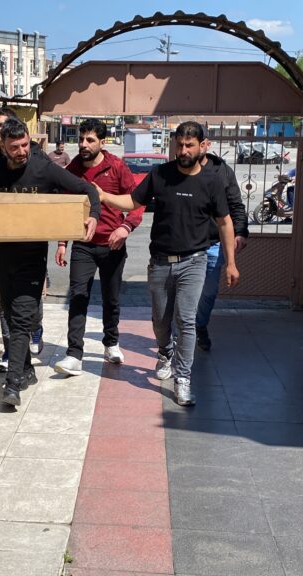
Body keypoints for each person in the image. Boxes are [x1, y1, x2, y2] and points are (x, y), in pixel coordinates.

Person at [0, 119, 100, 406]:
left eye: (25, 145)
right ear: (2, 147)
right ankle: (27, 370)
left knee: (21, 319)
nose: (22, 151)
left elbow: (87, 189)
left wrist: (93, 214)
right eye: (15, 147)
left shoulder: (43, 168)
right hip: (0, 256)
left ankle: (12, 385)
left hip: (32, 257)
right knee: (10, 313)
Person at [97, 121, 238, 407]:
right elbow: (132, 201)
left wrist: (231, 262)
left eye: (189, 146)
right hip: (160, 262)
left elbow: (224, 222)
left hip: (194, 261)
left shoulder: (212, 181)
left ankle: (183, 378)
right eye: (180, 145)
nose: (183, 151)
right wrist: (103, 196)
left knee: (186, 320)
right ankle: (165, 351)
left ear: (202, 146)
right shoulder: (160, 174)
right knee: (160, 321)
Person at [54, 119, 143, 376]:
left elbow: (137, 202)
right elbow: (65, 209)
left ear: (102, 142)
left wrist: (125, 228)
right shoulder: (72, 169)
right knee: (78, 296)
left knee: (111, 298)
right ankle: (74, 354)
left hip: (113, 244)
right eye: (81, 139)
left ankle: (111, 342)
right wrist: (62, 243)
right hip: (83, 245)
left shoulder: (116, 166)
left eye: (90, 140)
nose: (83, 144)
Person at [0, 107, 48, 370]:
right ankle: (11, 354)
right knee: (6, 302)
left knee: (29, 302)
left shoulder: (37, 158)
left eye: (1, 125)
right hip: (1, 241)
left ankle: (35, 328)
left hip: (31, 243)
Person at [195, 143, 249, 351]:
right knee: (181, 293)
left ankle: (200, 326)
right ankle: (178, 335)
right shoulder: (178, 169)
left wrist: (241, 232)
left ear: (205, 144)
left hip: (213, 244)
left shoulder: (222, 171)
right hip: (184, 245)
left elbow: (236, 204)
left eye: (195, 143)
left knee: (208, 292)